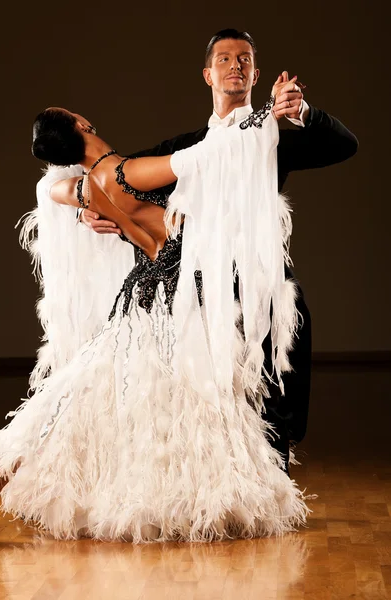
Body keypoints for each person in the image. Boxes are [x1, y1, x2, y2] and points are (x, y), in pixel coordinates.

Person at [0, 86, 312, 543]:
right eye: (77, 114)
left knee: (76, 395)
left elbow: (51, 189)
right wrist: (266, 115)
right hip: (183, 298)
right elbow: (205, 155)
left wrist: (84, 214)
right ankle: (192, 498)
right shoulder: (126, 172)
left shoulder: (86, 188)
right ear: (82, 127)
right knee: (194, 405)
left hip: (139, 299)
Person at [80, 29, 359, 471]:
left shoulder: (272, 141)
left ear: (255, 74)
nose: (236, 65)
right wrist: (89, 211)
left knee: (275, 374)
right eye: (225, 59)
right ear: (208, 75)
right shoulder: (186, 149)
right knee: (202, 395)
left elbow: (344, 145)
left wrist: (301, 110)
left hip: (261, 282)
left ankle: (272, 481)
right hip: (199, 290)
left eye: (245, 59)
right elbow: (121, 182)